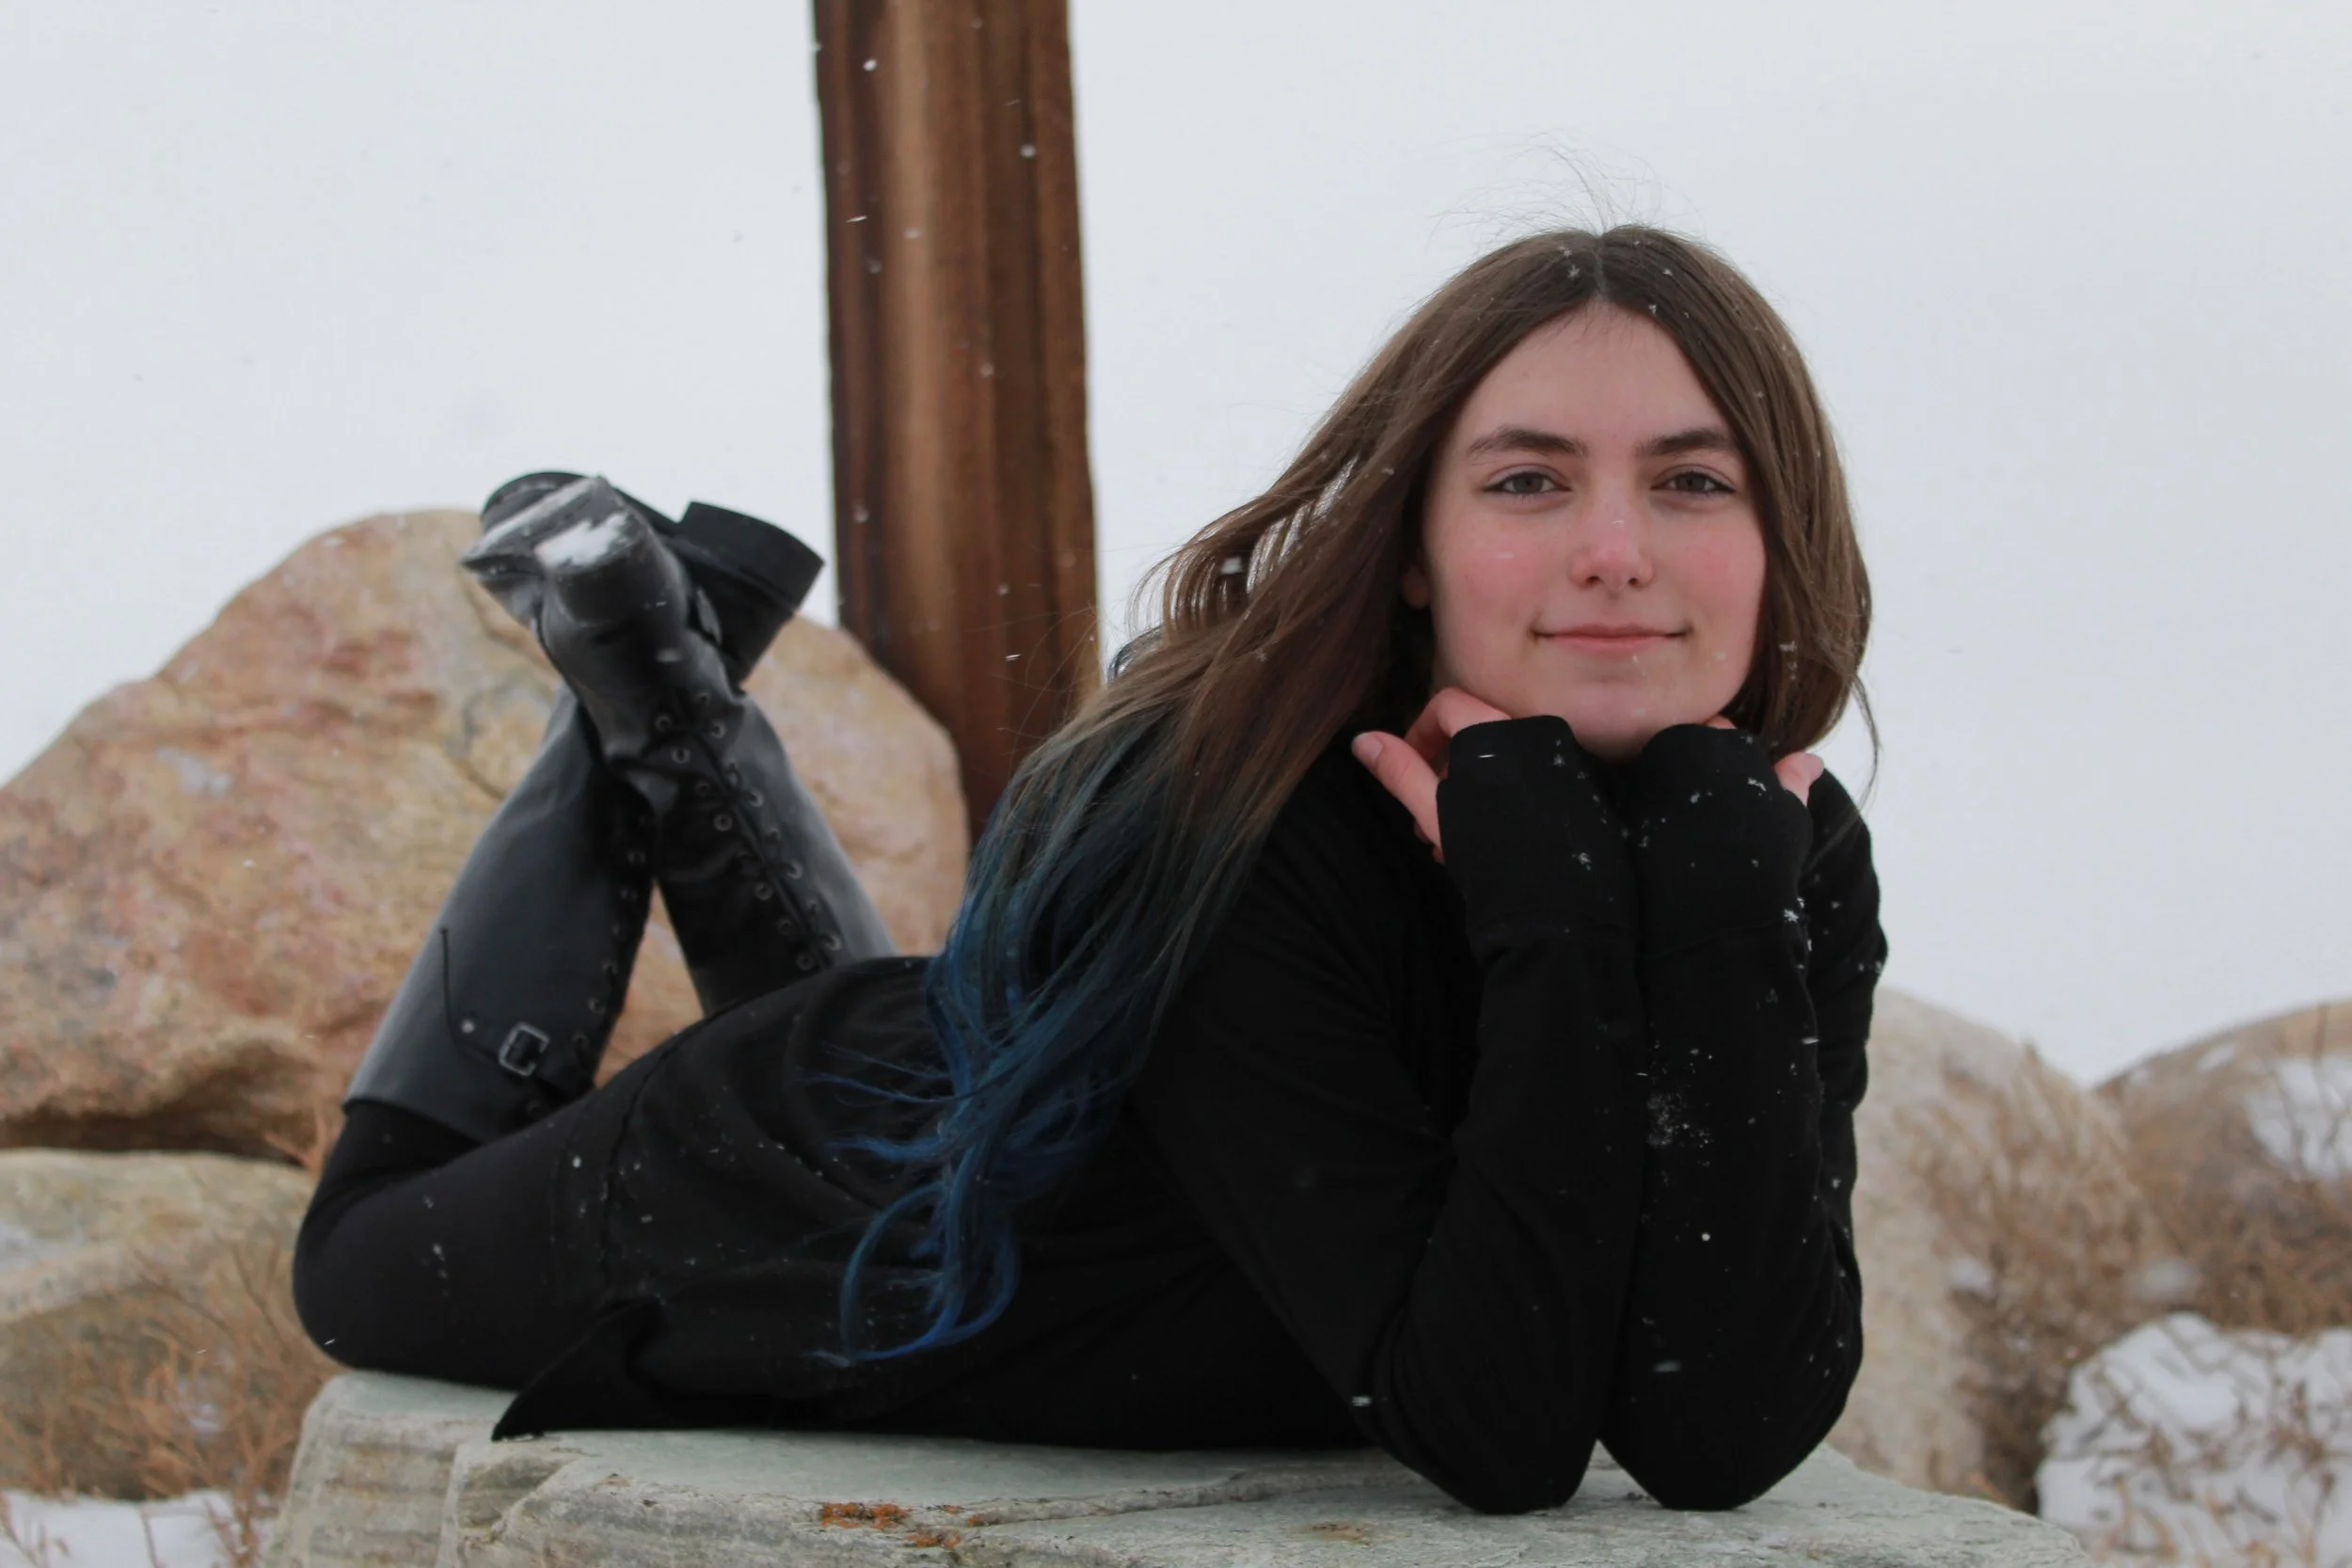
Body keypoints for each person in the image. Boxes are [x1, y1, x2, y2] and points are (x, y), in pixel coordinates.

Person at [292, 224, 1884, 1517]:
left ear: (1776, 529)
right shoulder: (1252, 825)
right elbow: (1501, 1432)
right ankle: (645, 675)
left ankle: (675, 681)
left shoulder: (1760, 855)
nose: (1617, 546)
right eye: (1530, 480)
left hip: (1008, 1132)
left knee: (978, 1090)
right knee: (353, 1263)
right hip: (796, 1190)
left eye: (1692, 479)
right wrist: (1546, 910)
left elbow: (1717, 1429)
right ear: (1413, 544)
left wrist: (1717, 919)